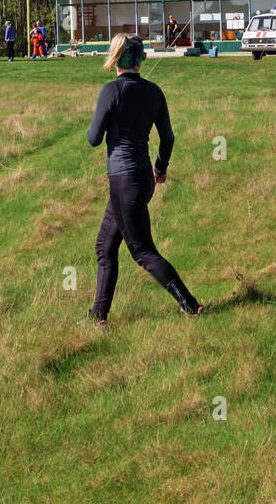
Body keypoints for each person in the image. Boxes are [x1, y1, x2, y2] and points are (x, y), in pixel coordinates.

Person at [86, 33, 204, 324]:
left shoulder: (111, 91)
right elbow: (168, 137)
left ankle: (190, 304)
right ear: (141, 60)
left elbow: (93, 138)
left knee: (142, 251)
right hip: (142, 178)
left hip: (123, 181)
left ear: (115, 58)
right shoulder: (154, 91)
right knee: (105, 246)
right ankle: (98, 315)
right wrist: (160, 169)